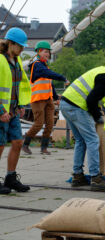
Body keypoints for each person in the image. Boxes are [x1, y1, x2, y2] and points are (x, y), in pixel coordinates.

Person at [59, 52, 105, 190]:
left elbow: (95, 98)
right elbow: (91, 100)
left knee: (81, 141)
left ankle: (77, 176)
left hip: (66, 104)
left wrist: (97, 112)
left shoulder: (103, 72)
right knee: (93, 140)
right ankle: (95, 178)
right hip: (76, 106)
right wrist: (98, 116)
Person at [22, 41, 69, 155]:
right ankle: (25, 144)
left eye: (49, 52)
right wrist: (63, 78)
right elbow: (49, 74)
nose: (48, 54)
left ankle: (44, 147)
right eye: (45, 52)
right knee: (39, 123)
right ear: (39, 52)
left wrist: (55, 97)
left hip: (48, 99)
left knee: (49, 123)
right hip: (38, 99)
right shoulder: (37, 65)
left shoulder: (44, 65)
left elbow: (49, 83)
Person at [0, 27, 31, 194]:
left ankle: (10, 178)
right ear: (10, 44)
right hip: (1, 111)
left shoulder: (16, 61)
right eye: (20, 46)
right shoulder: (0, 60)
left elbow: (20, 85)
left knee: (18, 142)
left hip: (12, 111)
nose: (23, 49)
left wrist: (20, 105)